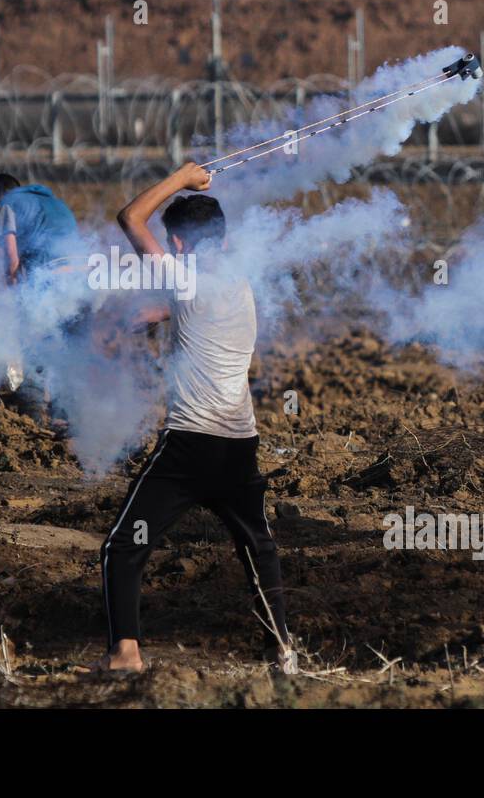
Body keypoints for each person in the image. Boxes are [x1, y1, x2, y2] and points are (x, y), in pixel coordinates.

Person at [96, 160, 292, 674]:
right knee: (257, 547)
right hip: (239, 443)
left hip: (188, 446)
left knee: (122, 548)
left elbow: (130, 217)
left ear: (179, 245)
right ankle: (283, 650)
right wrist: (149, 314)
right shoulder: (240, 283)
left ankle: (126, 654)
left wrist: (181, 178)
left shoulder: (182, 277)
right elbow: (189, 303)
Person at [0, 173, 80, 285]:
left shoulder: (4, 205)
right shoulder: (46, 199)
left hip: (49, 271)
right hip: (79, 264)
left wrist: (12, 292)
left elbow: (11, 257)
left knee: (27, 290)